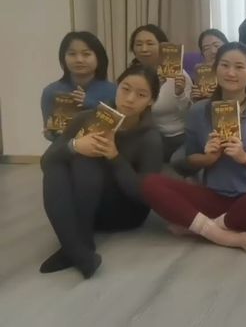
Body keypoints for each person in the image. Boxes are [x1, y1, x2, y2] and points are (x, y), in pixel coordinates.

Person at [142, 42, 246, 251]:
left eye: (239, 67)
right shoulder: (198, 112)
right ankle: (222, 233)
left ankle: (201, 228)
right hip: (213, 197)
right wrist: (207, 158)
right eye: (224, 65)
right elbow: (188, 159)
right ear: (215, 69)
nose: (231, 73)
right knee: (150, 183)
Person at [40, 64, 162, 278]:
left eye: (141, 94)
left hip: (124, 212)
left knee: (86, 160)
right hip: (85, 203)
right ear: (117, 86)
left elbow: (143, 196)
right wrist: (76, 145)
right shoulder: (87, 117)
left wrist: (114, 156)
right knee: (60, 163)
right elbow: (47, 160)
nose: (130, 98)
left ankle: (75, 247)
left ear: (151, 101)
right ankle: (81, 250)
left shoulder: (150, 138)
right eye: (125, 89)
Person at [129, 24, 192, 161]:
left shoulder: (179, 76)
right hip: (146, 135)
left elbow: (189, 115)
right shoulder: (132, 75)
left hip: (177, 137)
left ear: (162, 47)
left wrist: (179, 93)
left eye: (150, 43)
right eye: (138, 44)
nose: (144, 49)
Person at [41, 31, 116, 141]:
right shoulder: (51, 91)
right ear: (63, 58)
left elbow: (120, 129)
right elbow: (51, 135)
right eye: (72, 54)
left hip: (101, 154)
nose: (79, 60)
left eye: (86, 54)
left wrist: (90, 103)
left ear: (99, 58)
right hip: (64, 154)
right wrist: (49, 133)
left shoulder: (113, 91)